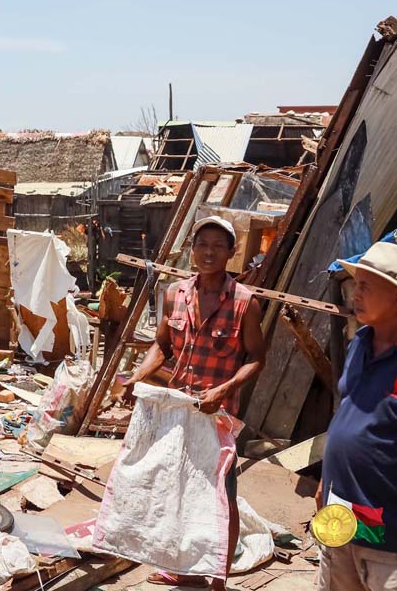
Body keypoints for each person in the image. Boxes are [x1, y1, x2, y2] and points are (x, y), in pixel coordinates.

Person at [122, 216, 265, 590]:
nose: (209, 252)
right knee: (178, 488)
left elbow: (255, 358)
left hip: (218, 415)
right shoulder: (174, 294)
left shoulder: (244, 303)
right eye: (202, 244)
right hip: (177, 408)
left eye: (218, 246)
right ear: (192, 248)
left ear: (232, 253)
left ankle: (218, 577)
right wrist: (136, 376)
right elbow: (163, 346)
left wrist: (223, 390)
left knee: (222, 497)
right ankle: (183, 568)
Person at [315, 241, 397, 591]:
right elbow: (349, 412)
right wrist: (328, 477)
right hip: (340, 515)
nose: (356, 293)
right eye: (357, 284)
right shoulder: (360, 342)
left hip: (392, 536)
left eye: (367, 286)